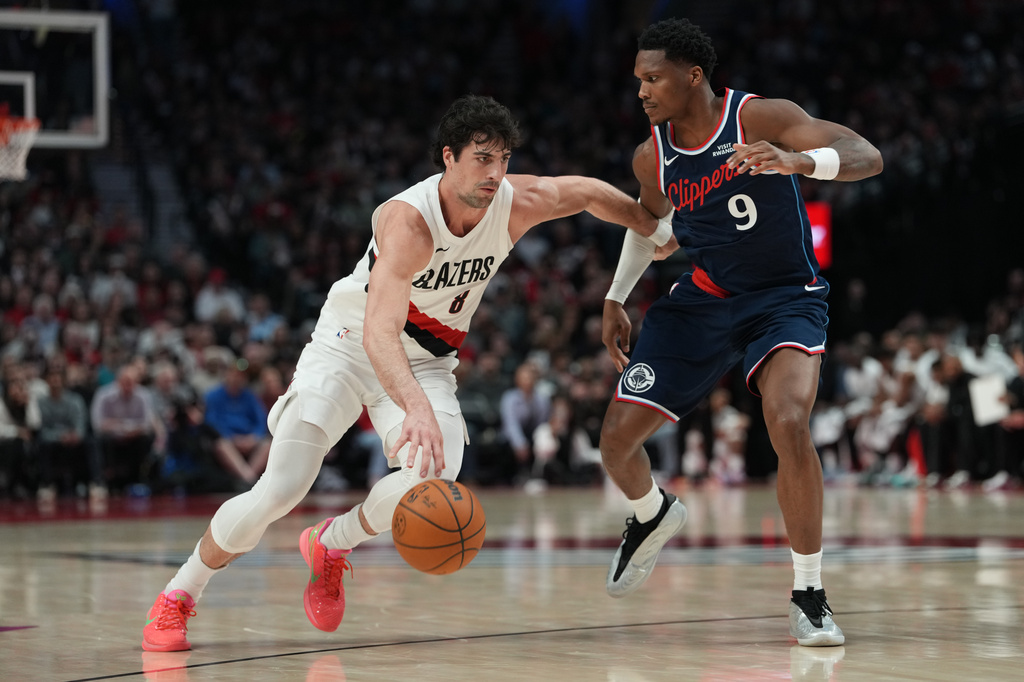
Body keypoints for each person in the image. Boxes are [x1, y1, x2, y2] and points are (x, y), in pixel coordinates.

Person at [141, 94, 669, 652]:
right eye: (482, 159)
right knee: (283, 486)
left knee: (436, 474)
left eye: (504, 160)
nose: (495, 174)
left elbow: (586, 193)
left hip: (427, 361)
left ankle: (330, 543)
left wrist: (652, 229)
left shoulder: (515, 203)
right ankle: (180, 593)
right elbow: (377, 333)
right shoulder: (408, 222)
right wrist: (415, 408)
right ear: (448, 157)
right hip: (348, 345)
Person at [598, 18, 882, 647]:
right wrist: (616, 296)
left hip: (783, 299)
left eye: (652, 78)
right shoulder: (653, 155)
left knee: (787, 419)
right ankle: (652, 515)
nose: (641, 91)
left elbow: (868, 155)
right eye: (637, 80)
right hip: (704, 300)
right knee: (616, 444)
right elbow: (649, 223)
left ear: (692, 75)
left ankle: (808, 594)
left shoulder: (758, 117)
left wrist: (798, 161)